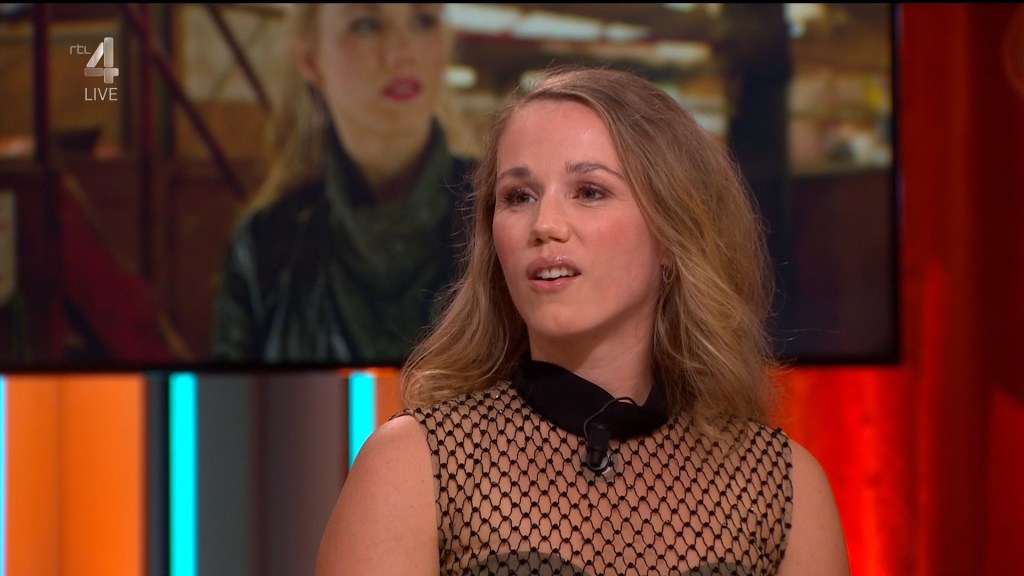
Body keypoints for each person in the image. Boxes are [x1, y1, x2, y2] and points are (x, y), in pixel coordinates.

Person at [316, 66, 850, 575]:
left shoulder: (781, 488)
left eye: (589, 192)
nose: (544, 224)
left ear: (672, 233)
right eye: (519, 197)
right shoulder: (415, 467)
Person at [209, 3, 474, 365]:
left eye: (423, 20)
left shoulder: (512, 218)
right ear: (310, 60)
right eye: (366, 25)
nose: (401, 53)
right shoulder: (261, 248)